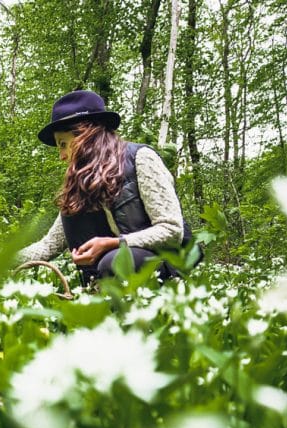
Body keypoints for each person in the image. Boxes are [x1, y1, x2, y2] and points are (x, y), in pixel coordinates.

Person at [16, 89, 191, 284]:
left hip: (158, 268)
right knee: (106, 255)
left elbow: (172, 230)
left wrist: (115, 244)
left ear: (86, 135)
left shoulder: (141, 158)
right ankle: (94, 290)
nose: (62, 156)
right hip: (106, 273)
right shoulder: (80, 183)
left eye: (63, 144)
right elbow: (49, 245)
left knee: (113, 261)